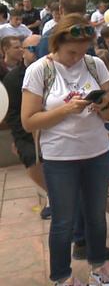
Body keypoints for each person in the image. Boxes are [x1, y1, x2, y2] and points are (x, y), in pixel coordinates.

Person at [21, 13, 109, 286]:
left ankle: (98, 268)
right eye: (71, 52)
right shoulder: (40, 70)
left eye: (83, 51)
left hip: (96, 153)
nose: (77, 58)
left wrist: (102, 106)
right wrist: (66, 109)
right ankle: (62, 277)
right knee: (63, 220)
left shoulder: (95, 65)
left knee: (97, 216)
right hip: (60, 157)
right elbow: (29, 121)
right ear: (57, 44)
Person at [4, 35, 49, 216]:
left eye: (37, 48)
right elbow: (13, 114)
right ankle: (52, 194)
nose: (35, 52)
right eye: (31, 49)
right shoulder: (13, 79)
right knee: (31, 157)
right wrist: (25, 137)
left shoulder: (51, 71)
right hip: (26, 131)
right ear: (23, 51)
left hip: (51, 127)